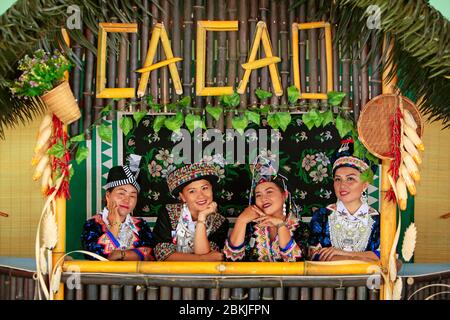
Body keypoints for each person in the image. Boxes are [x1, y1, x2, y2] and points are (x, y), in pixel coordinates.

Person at [223, 156, 309, 262]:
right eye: (258, 195)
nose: (263, 199)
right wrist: (241, 221)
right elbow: (231, 260)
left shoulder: (300, 228)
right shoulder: (250, 227)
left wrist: (281, 225)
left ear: (285, 195)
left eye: (269, 192)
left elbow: (297, 263)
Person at [309, 137, 380, 262]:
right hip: (329, 279)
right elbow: (315, 255)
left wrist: (340, 253)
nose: (342, 185)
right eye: (338, 179)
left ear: (365, 184)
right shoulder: (322, 216)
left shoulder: (378, 220)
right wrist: (363, 257)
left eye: (350, 179)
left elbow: (383, 258)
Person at [152, 162, 229, 261]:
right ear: (183, 197)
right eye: (192, 191)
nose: (201, 196)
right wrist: (202, 259)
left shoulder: (220, 222)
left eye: (204, 188)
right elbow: (163, 255)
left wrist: (202, 218)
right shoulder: (168, 212)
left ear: (212, 189)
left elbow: (209, 257)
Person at [81, 165, 155, 261]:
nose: (127, 200)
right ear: (108, 195)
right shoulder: (92, 224)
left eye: (132, 196)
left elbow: (151, 253)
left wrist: (122, 254)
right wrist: (115, 225)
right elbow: (94, 255)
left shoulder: (141, 225)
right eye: (121, 193)